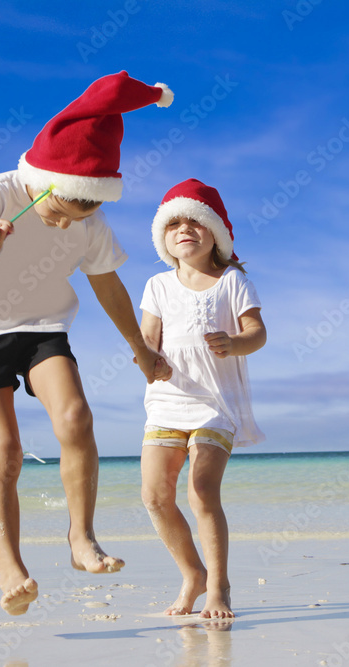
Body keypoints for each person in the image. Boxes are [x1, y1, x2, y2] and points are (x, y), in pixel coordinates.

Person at [0, 72, 173, 616]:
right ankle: (10, 569)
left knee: (76, 419)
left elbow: (107, 283)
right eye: (59, 211)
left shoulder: (88, 218)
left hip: (44, 326)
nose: (66, 225)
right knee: (6, 452)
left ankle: (80, 539)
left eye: (78, 217)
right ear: (41, 181)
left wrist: (139, 347)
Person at [138, 179, 266, 620]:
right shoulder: (156, 285)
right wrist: (148, 361)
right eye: (173, 223)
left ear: (216, 234)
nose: (184, 229)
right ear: (163, 238)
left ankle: (219, 586)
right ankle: (191, 574)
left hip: (217, 403)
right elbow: (146, 341)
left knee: (201, 490)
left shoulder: (232, 281)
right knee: (154, 496)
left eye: (195, 220)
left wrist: (234, 344)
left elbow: (258, 334)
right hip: (167, 401)